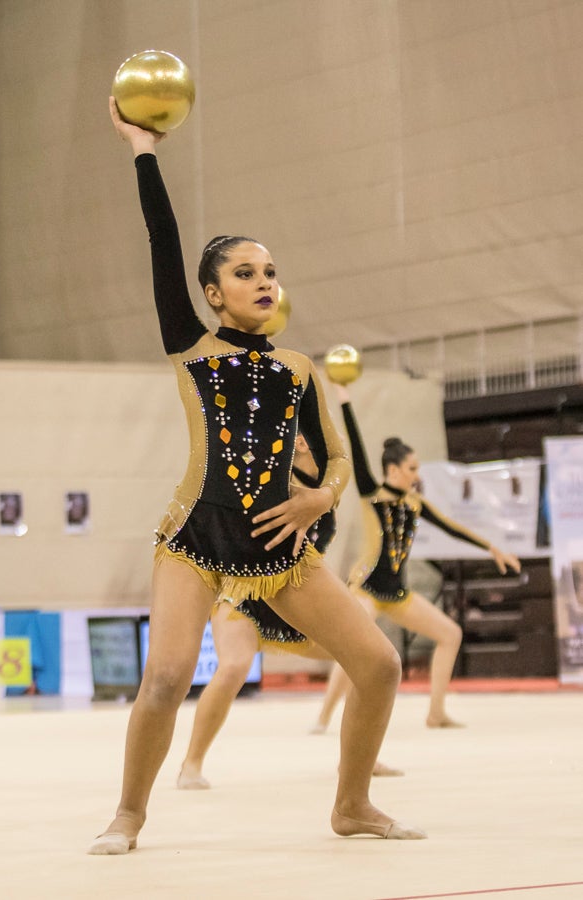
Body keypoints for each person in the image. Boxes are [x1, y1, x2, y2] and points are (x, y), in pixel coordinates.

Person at [88, 99, 426, 854]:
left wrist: (320, 496)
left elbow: (336, 459)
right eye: (245, 273)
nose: (264, 281)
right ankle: (129, 814)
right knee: (168, 677)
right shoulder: (194, 349)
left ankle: (352, 803)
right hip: (197, 537)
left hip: (279, 547)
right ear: (214, 294)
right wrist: (143, 149)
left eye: (270, 271)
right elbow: (162, 240)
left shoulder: (299, 370)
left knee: (378, 664)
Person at [177, 434, 402, 790]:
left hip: (291, 599)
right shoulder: (276, 479)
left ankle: (358, 760)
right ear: (300, 442)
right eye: (323, 437)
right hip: (245, 594)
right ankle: (191, 763)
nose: (332, 443)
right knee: (235, 665)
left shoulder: (326, 488)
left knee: (366, 659)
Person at [311, 383, 521, 735]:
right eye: (412, 468)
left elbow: (452, 527)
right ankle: (323, 718)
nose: (417, 474)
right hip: (366, 589)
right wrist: (346, 399)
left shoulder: (415, 504)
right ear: (393, 471)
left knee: (450, 634)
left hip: (397, 593)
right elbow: (357, 450)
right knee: (354, 648)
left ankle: (436, 712)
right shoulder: (372, 496)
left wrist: (493, 547)